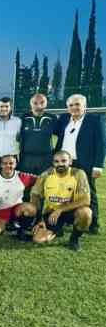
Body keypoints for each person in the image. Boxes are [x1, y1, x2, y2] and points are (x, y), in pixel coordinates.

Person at [54, 94, 105, 234]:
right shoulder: (64, 119)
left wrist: (98, 166)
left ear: (84, 106)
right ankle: (67, 219)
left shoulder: (95, 120)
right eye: (71, 105)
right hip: (65, 163)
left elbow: (101, 144)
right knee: (65, 192)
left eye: (77, 104)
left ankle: (93, 224)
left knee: (89, 193)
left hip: (84, 163)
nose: (74, 107)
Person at [30, 150, 92, 251]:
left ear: (70, 161)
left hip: (71, 211)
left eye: (64, 161)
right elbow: (35, 195)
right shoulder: (46, 175)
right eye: (57, 161)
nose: (60, 164)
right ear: (53, 163)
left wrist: (60, 209)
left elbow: (86, 200)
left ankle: (74, 239)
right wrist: (39, 219)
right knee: (38, 240)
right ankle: (57, 230)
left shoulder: (78, 174)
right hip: (52, 213)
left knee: (86, 213)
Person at [0, 155, 37, 239]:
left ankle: (21, 226)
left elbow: (40, 179)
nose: (8, 165)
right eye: (5, 163)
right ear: (1, 165)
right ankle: (12, 228)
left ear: (15, 164)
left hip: (17, 209)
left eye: (11, 163)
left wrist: (50, 171)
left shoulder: (22, 176)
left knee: (31, 208)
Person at [18, 94, 57, 175]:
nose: (39, 106)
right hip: (26, 159)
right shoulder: (23, 118)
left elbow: (60, 136)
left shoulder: (53, 118)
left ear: (46, 103)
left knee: (45, 182)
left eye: (42, 102)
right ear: (31, 104)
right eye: (35, 103)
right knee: (27, 182)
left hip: (46, 159)